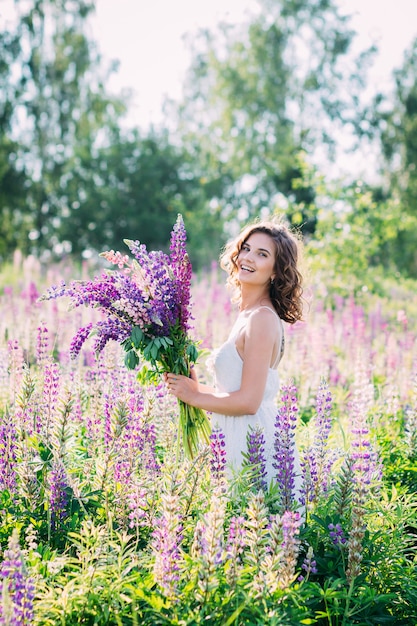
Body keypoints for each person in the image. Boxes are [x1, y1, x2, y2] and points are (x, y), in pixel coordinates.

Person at [166, 218, 304, 492]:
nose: (248, 258)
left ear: (276, 271)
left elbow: (249, 401)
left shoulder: (261, 318)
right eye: (246, 248)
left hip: (252, 444)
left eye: (262, 254)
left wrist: (194, 396)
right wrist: (194, 388)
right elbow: (235, 391)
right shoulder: (250, 315)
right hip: (235, 435)